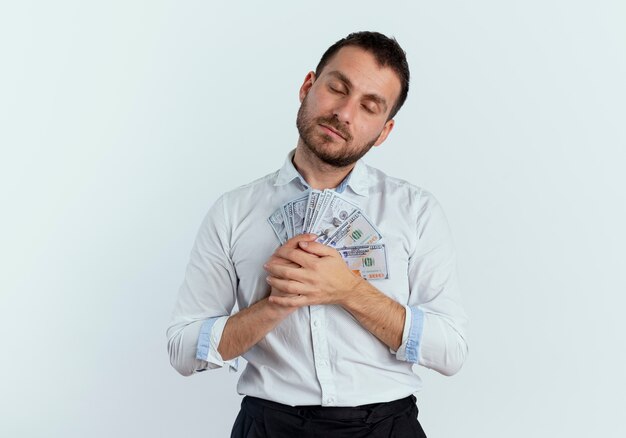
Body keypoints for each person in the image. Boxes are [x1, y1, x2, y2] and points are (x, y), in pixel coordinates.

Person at [167, 31, 468, 437]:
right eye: (337, 88)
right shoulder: (233, 211)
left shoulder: (416, 211)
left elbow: (450, 352)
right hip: (270, 426)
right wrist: (277, 302)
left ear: (384, 131)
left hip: (387, 427)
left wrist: (347, 290)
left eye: (369, 106)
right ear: (308, 86)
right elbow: (183, 351)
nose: (344, 113)